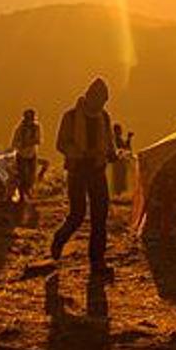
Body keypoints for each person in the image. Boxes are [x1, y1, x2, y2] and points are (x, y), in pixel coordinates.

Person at [51, 77, 118, 276]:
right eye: (99, 99)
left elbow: (109, 142)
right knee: (77, 215)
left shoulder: (104, 117)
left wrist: (111, 154)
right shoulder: (70, 117)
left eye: (104, 101)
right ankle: (60, 239)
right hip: (77, 171)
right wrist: (79, 153)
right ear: (89, 96)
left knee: (100, 217)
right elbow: (61, 143)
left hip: (98, 171)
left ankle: (97, 261)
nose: (101, 104)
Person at [11, 108, 41, 205]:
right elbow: (15, 143)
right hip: (22, 155)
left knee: (31, 177)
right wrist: (24, 144)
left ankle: (27, 192)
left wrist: (28, 143)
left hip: (32, 154)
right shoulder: (20, 129)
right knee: (22, 176)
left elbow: (38, 140)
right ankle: (22, 196)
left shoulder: (36, 127)